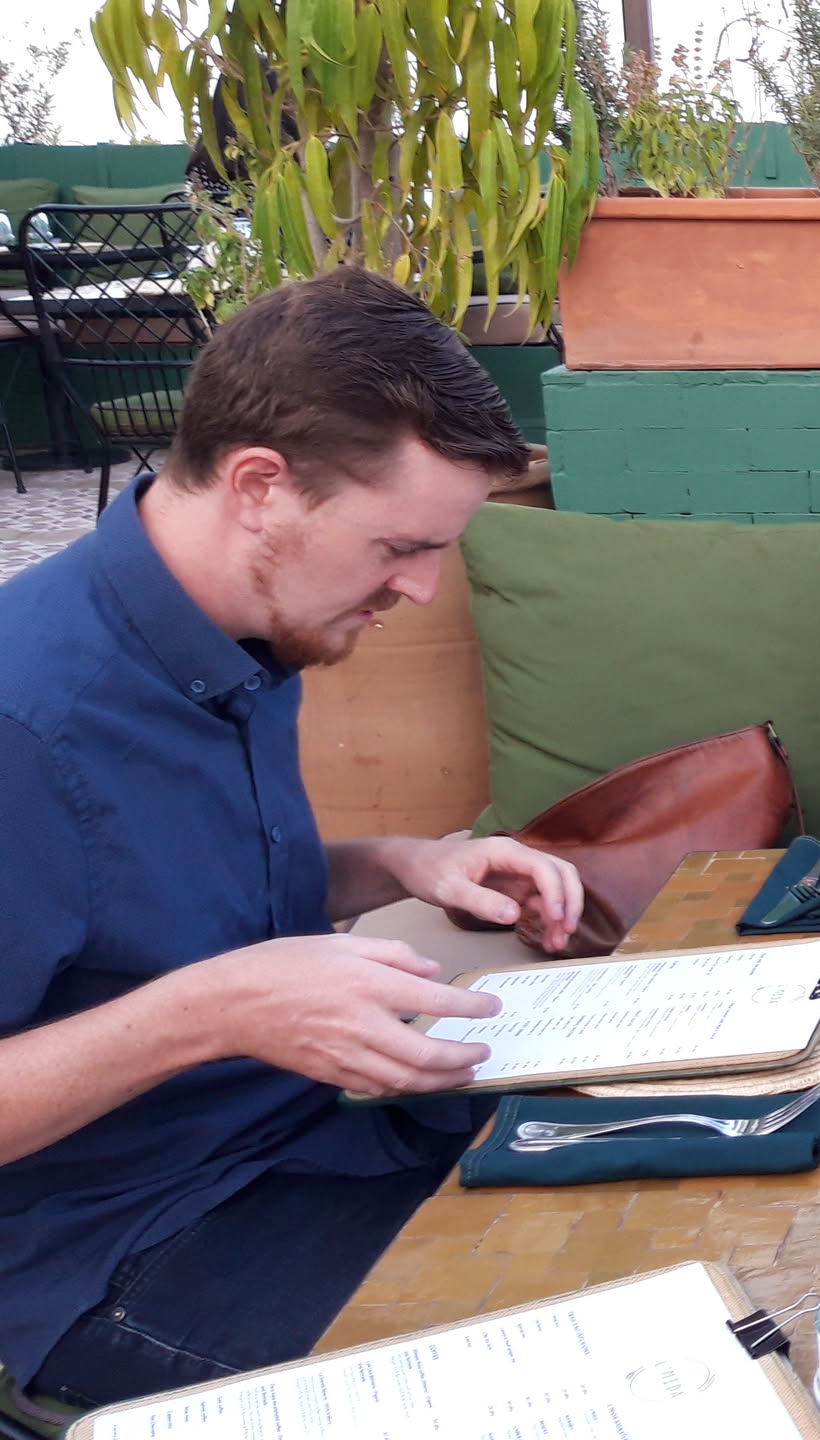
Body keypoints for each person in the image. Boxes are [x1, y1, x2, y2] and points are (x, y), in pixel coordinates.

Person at [0, 269, 584, 1410]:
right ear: (260, 487)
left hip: (326, 1126)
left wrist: (404, 862)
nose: (423, 589)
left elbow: (149, 896)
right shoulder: (26, 722)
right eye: (398, 546)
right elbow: (191, 971)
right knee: (559, 1384)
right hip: (128, 1239)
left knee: (700, 1195)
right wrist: (211, 1011)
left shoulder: (252, 623)